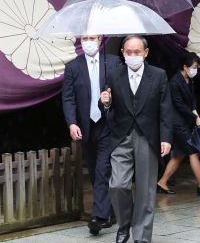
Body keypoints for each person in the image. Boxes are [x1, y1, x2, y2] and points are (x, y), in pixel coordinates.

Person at [100, 35, 173, 243]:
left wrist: (166, 138)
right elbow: (108, 107)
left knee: (145, 189)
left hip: (147, 136)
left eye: (137, 52)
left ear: (146, 53)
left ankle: (141, 235)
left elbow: (166, 109)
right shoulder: (114, 75)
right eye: (128, 52)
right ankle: (124, 224)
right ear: (122, 53)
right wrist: (104, 102)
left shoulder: (158, 76)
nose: (132, 56)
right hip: (121, 136)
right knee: (118, 185)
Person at [62, 35, 120, 235]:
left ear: (100, 39)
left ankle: (98, 217)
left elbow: (122, 91)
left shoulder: (112, 62)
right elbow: (68, 98)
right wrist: (72, 123)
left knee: (102, 169)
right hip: (86, 127)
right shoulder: (73, 67)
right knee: (96, 170)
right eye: (85, 38)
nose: (88, 41)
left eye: (92, 38)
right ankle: (110, 212)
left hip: (107, 124)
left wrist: (109, 99)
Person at [157, 52, 200, 197]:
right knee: (193, 152)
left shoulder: (189, 80)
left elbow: (191, 101)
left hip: (185, 121)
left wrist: (195, 113)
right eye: (194, 67)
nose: (195, 70)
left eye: (196, 67)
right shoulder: (174, 82)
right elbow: (178, 104)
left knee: (179, 155)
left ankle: (162, 182)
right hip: (177, 123)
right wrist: (194, 116)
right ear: (185, 67)